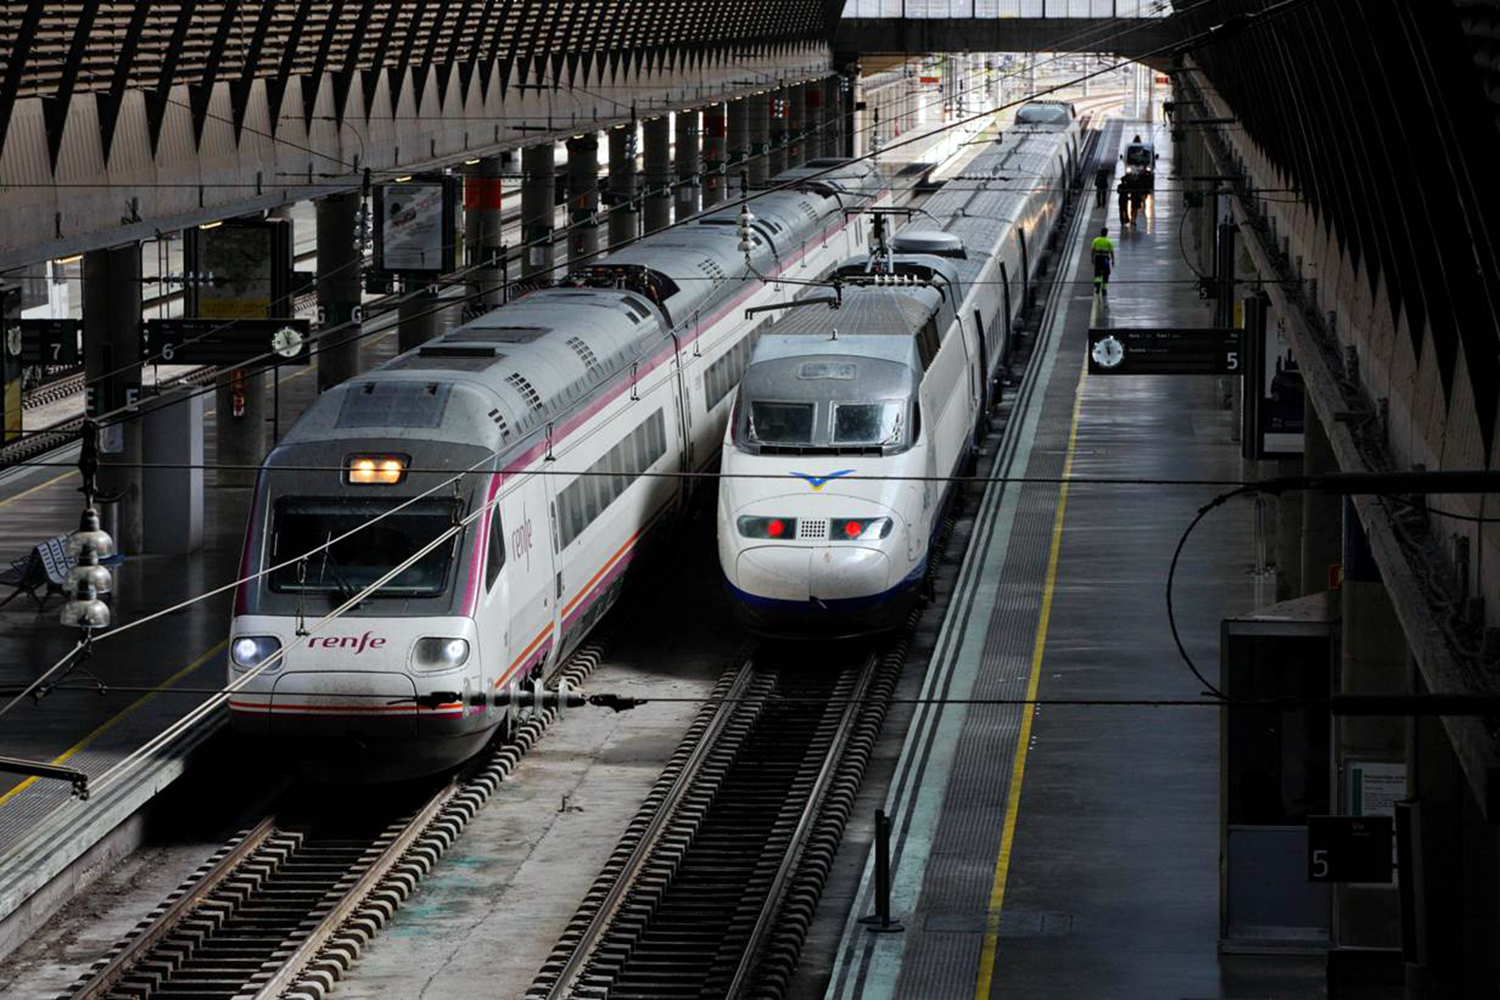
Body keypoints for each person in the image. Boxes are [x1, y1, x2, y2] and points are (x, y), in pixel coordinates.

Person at [1091, 226, 1115, 296]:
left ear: (1101, 233)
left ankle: (1097, 287)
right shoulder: (1108, 241)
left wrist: (1092, 258)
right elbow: (1111, 252)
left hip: (1098, 259)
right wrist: (1113, 261)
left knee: (1097, 273)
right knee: (1106, 274)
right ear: (1106, 233)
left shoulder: (1096, 240)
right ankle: (1104, 289)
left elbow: (1092, 250)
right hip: (1105, 260)